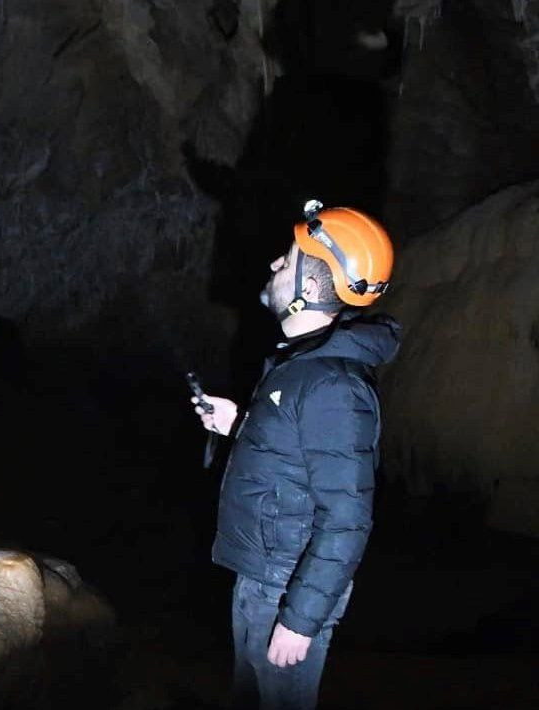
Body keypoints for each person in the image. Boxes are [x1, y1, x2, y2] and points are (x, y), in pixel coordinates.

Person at [193, 200, 400, 709]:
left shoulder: (331, 386)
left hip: (285, 590)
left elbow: (348, 517)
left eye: (286, 261)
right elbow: (297, 461)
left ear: (308, 289)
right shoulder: (303, 368)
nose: (274, 266)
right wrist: (237, 423)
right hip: (264, 577)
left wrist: (300, 619)